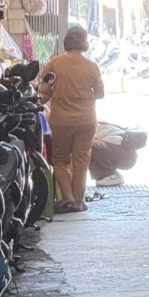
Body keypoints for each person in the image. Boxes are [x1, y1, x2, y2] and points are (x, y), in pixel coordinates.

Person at [40, 25, 105, 213]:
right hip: (86, 121)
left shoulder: (55, 63)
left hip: (61, 121)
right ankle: (79, 201)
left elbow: (44, 92)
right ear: (84, 43)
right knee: (81, 160)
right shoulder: (92, 67)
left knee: (60, 159)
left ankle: (67, 197)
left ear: (67, 41)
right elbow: (100, 94)